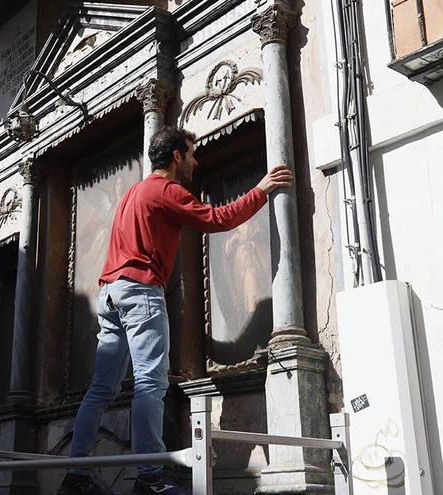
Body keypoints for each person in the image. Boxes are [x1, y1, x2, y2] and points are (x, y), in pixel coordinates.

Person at [57, 126, 293, 495]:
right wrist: (261, 191)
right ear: (176, 156)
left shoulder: (133, 193)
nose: (196, 160)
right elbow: (218, 219)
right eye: (192, 153)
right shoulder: (166, 190)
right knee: (151, 384)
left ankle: (76, 474)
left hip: (111, 293)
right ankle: (150, 476)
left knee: (100, 390)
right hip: (140, 292)